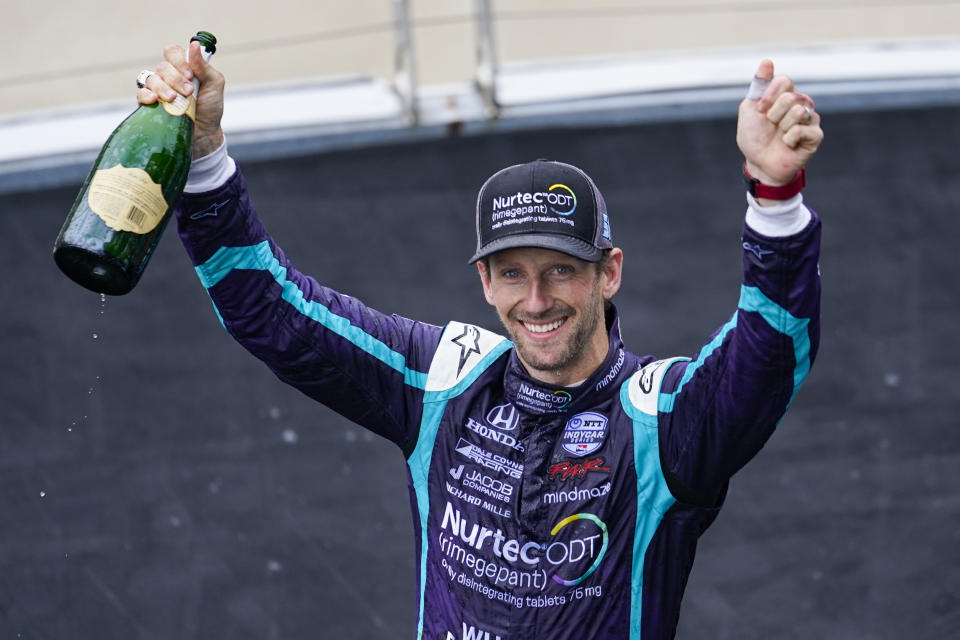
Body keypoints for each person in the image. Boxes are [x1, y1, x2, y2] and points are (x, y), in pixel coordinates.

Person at [138, 42, 823, 640]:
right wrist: (202, 161)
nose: (536, 300)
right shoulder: (442, 381)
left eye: (561, 271)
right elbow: (272, 312)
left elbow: (764, 362)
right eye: (513, 274)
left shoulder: (658, 421)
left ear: (609, 273)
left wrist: (776, 199)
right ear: (484, 283)